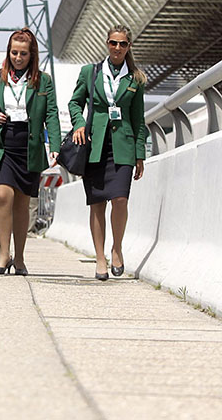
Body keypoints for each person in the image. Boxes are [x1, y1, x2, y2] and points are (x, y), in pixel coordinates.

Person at [0, 28, 60, 276]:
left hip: (29, 144)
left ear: (31, 54)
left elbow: (51, 114)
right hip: (3, 143)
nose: (18, 57)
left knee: (22, 203)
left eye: (23, 53)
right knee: (2, 196)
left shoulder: (43, 81)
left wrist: (55, 145)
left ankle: (20, 258)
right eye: (14, 52)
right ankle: (3, 255)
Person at [68, 25, 147, 281]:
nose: (117, 48)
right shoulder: (90, 73)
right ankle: (100, 257)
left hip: (122, 146)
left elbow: (139, 119)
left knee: (120, 199)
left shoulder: (135, 78)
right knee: (97, 203)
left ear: (129, 47)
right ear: (107, 43)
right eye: (113, 43)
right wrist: (79, 123)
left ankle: (117, 248)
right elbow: (74, 102)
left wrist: (140, 154)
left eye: (123, 44)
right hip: (95, 145)